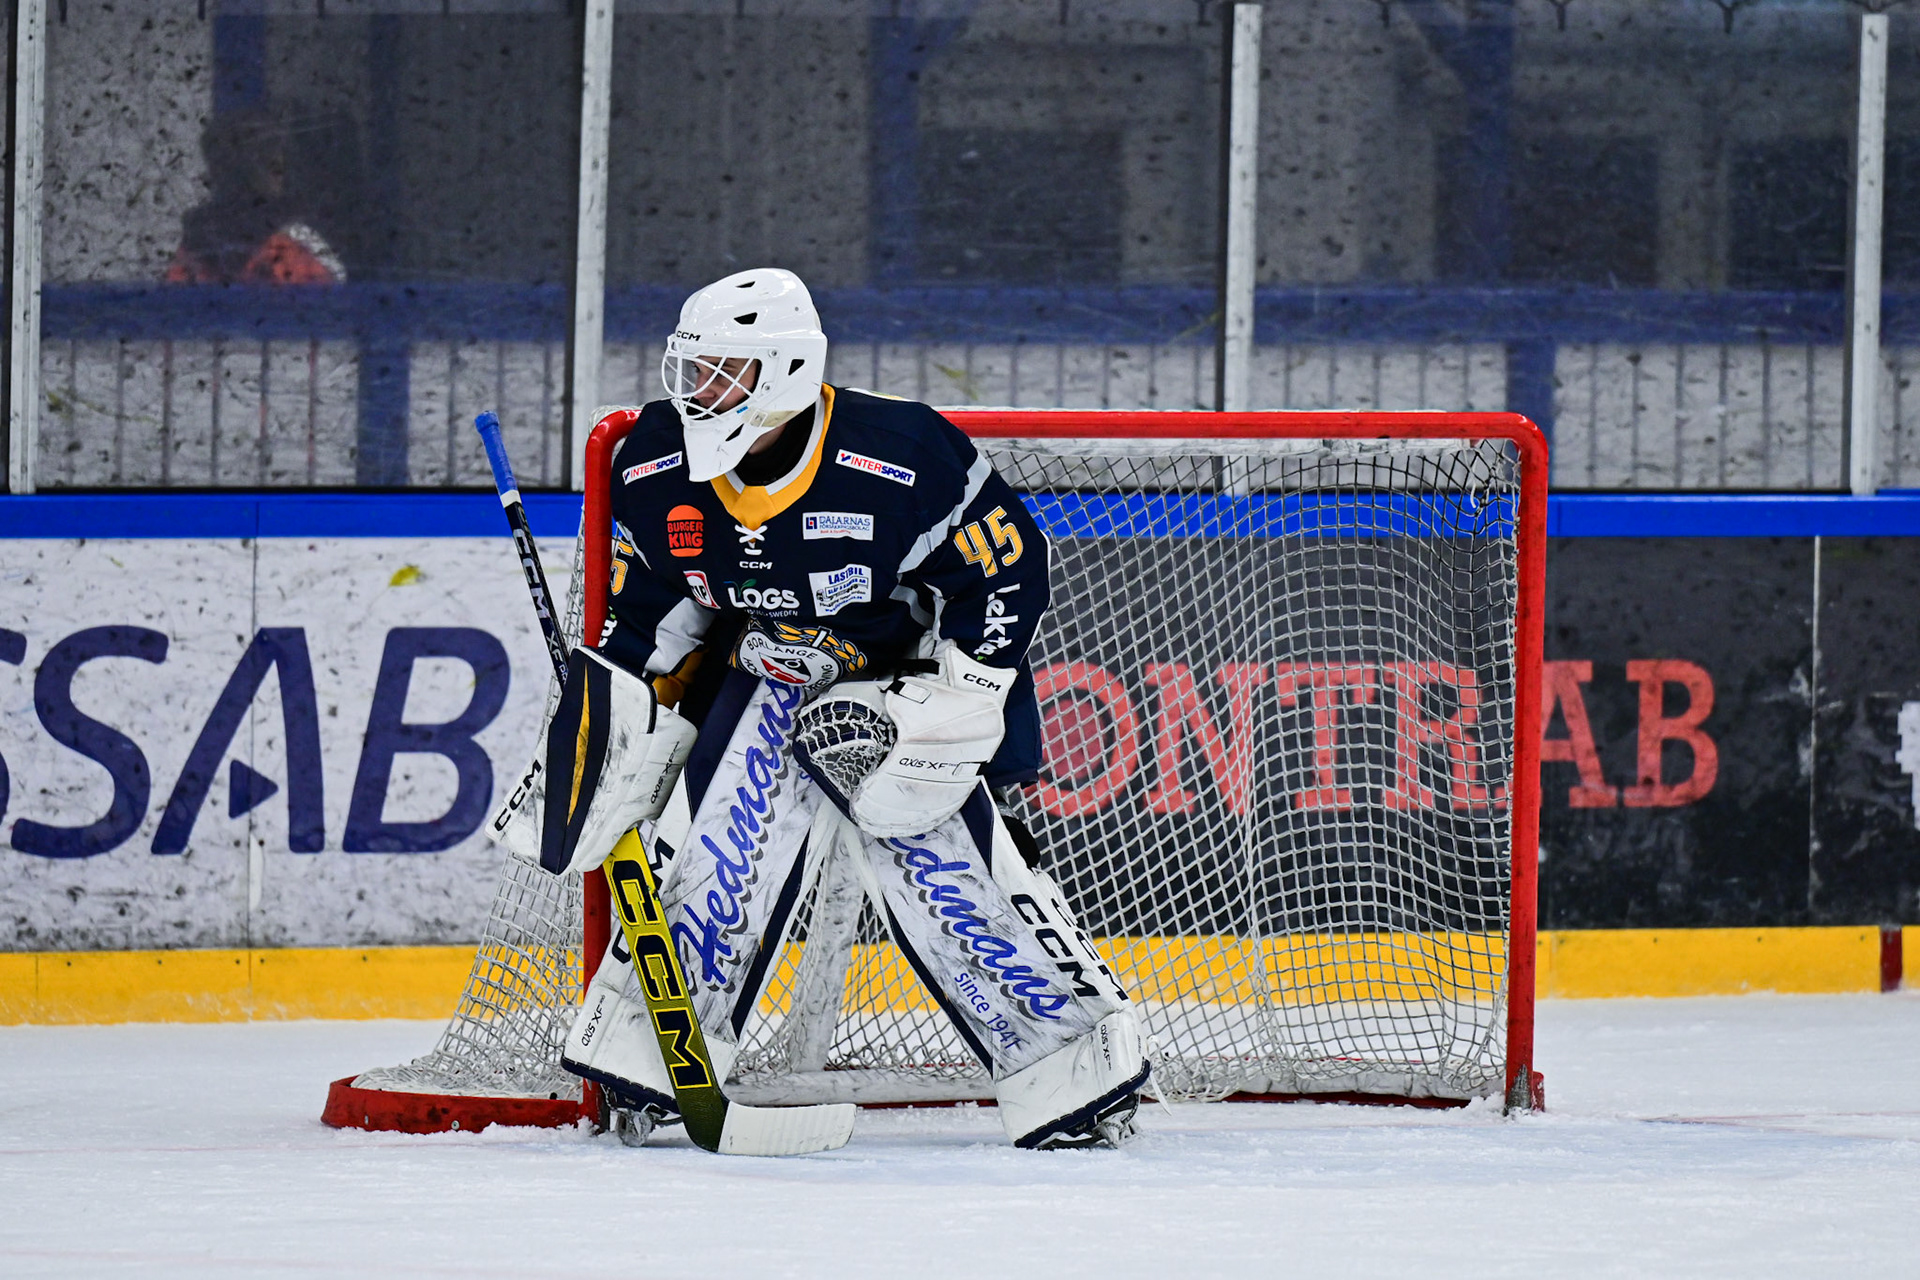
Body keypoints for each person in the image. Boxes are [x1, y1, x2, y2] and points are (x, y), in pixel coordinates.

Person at [489, 267, 1147, 1149]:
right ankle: (651, 1060)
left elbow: (1007, 567)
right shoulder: (652, 462)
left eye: (725, 372)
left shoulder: (901, 453)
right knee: (722, 844)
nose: (699, 390)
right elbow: (652, 612)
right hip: (766, 669)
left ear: (787, 372)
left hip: (902, 678)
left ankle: (1069, 1070)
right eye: (692, 369)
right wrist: (610, 723)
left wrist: (966, 696)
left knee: (929, 844)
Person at [166, 108, 344, 286]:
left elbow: (330, 297)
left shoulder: (296, 241)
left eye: (277, 147)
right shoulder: (195, 245)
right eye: (259, 149)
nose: (278, 160)